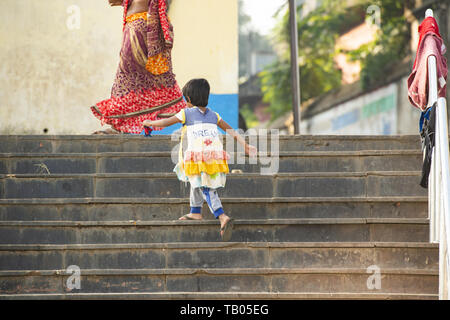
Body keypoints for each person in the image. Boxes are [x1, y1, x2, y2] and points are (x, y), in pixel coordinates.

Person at [143, 79, 258, 241]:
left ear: (188, 99)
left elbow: (164, 122)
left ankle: (222, 216)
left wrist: (149, 122)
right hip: (213, 157)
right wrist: (245, 145)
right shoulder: (214, 115)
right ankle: (195, 212)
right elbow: (231, 130)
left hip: (199, 157)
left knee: (205, 186)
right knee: (196, 181)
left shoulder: (186, 113)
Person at [92, 0, 186, 134]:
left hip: (139, 31)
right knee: (135, 82)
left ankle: (119, 128)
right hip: (135, 29)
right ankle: (120, 127)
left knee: (127, 80)